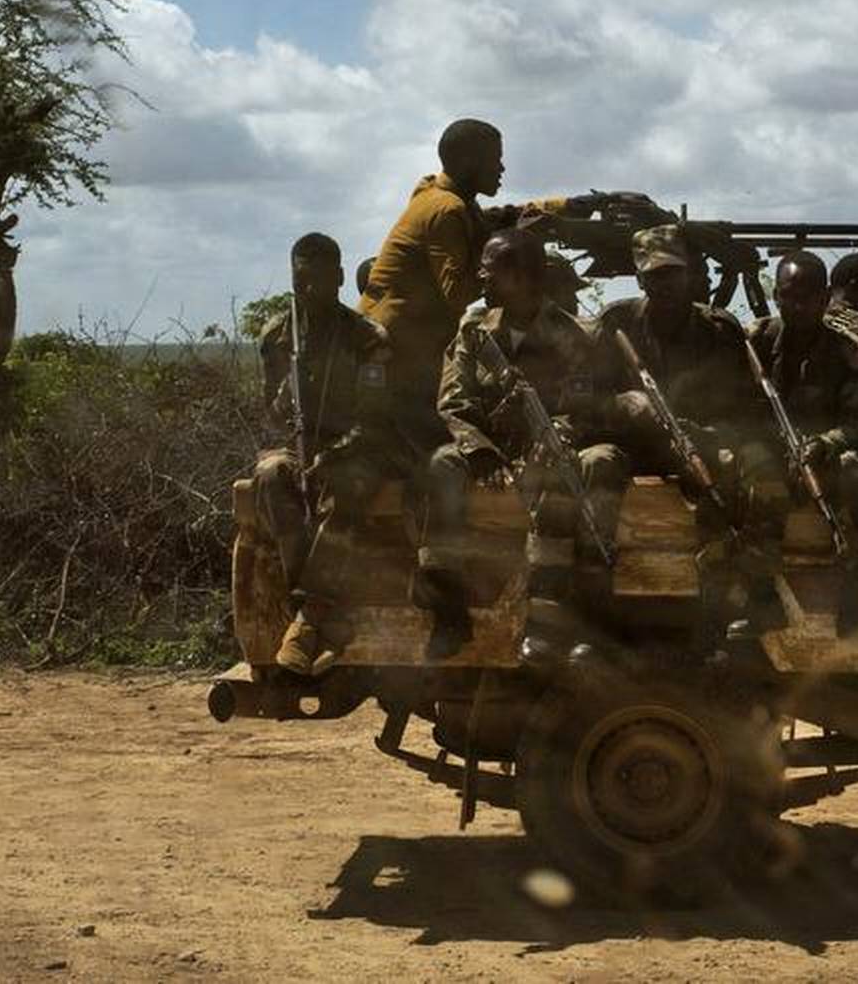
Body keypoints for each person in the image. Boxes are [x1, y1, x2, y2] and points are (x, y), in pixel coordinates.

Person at [591, 224, 789, 652]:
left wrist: (714, 435)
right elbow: (577, 397)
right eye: (654, 275)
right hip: (637, 447)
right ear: (640, 279)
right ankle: (591, 603)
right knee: (597, 465)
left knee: (749, 467)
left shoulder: (718, 330)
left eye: (673, 273)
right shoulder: (616, 325)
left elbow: (751, 408)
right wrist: (622, 404)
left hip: (701, 447)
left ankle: (745, 598)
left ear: (690, 274)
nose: (665, 284)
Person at [424, 231, 606, 667]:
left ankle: (546, 618)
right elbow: (452, 402)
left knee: (564, 473)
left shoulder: (573, 335)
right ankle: (447, 607)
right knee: (443, 464)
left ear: (523, 278)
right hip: (487, 449)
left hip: (543, 448)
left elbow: (582, 409)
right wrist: (479, 447)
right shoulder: (474, 331)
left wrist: (556, 436)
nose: (481, 280)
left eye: (492, 272)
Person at [753, 250, 858, 652]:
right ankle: (758, 599)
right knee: (754, 475)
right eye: (788, 296)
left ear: (826, 296)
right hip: (774, 457)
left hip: (823, 460)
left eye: (808, 297)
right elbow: (736, 410)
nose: (797, 306)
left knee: (857, 473)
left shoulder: (847, 351)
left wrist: (822, 444)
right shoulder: (756, 342)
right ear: (776, 295)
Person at [251, 233, 401, 678]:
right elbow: (272, 415)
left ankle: (310, 616)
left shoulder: (367, 337)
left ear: (338, 277)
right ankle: (320, 615)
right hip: (301, 445)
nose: (309, 288)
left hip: (361, 446)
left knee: (347, 485)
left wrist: (335, 453)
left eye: (319, 278)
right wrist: (287, 398)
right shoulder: (277, 335)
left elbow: (375, 418)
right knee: (271, 475)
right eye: (301, 279)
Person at [359, 119, 508, 452]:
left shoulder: (434, 192)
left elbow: (483, 220)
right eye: (494, 158)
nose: (501, 167)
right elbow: (457, 294)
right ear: (469, 162)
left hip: (400, 346)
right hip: (397, 353)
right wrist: (502, 266)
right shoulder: (447, 209)